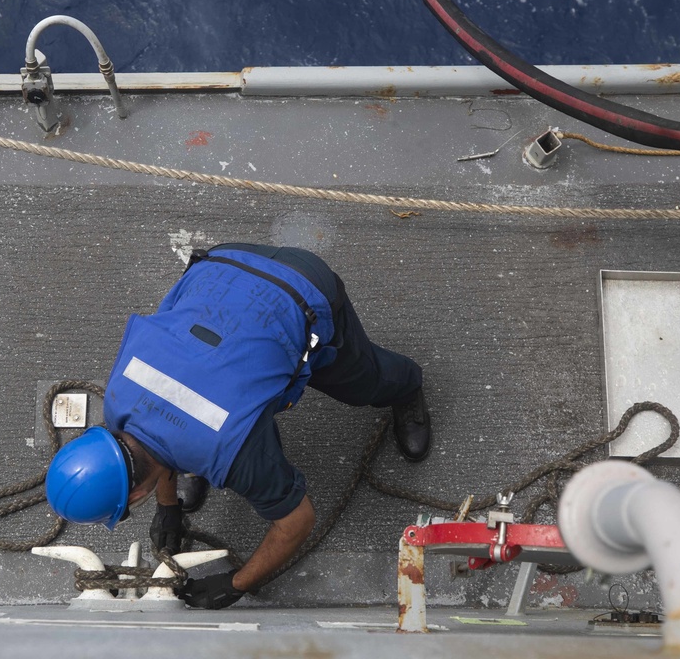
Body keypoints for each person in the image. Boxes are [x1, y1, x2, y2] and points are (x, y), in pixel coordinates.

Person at [46, 243, 430, 609]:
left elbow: (296, 522)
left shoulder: (231, 453)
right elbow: (153, 434)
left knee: (362, 381)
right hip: (222, 266)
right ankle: (188, 462)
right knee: (211, 430)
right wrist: (169, 510)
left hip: (299, 286)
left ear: (133, 499)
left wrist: (235, 584)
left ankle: (407, 386)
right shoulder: (118, 399)